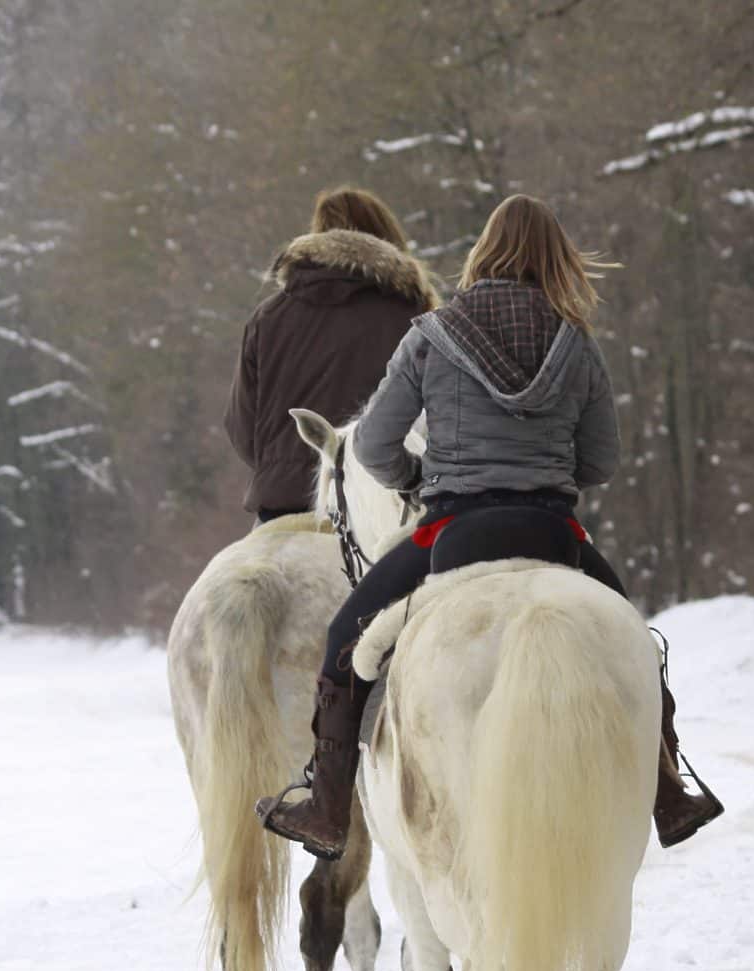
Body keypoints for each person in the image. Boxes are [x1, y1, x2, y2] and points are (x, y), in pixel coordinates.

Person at [256, 194, 725, 860]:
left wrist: (417, 480)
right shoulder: (576, 341)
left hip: (452, 532)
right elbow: (602, 460)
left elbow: (372, 446)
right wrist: (548, 467)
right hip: (554, 535)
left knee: (344, 640)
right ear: (555, 260)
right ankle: (668, 789)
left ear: (484, 253)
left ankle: (328, 805)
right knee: (638, 646)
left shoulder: (430, 335)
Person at [225, 186, 440, 522]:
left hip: (281, 504)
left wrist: (288, 465)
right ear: (389, 241)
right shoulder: (410, 315)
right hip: (378, 507)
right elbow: (437, 418)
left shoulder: (267, 318)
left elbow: (241, 428)